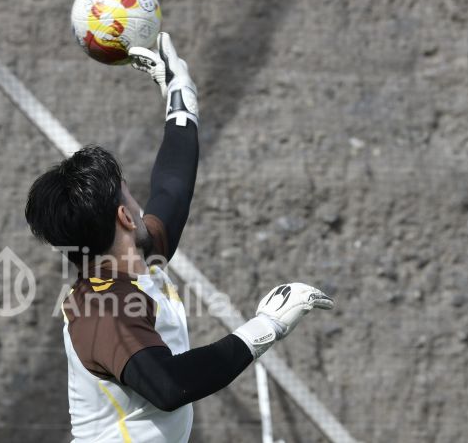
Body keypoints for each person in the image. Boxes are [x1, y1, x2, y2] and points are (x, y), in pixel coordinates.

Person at [25, 33, 334, 442]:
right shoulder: (100, 307)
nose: (142, 202)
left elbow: (172, 189)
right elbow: (168, 387)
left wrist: (180, 100)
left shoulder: (139, 258)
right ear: (124, 218)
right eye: (130, 195)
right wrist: (267, 326)